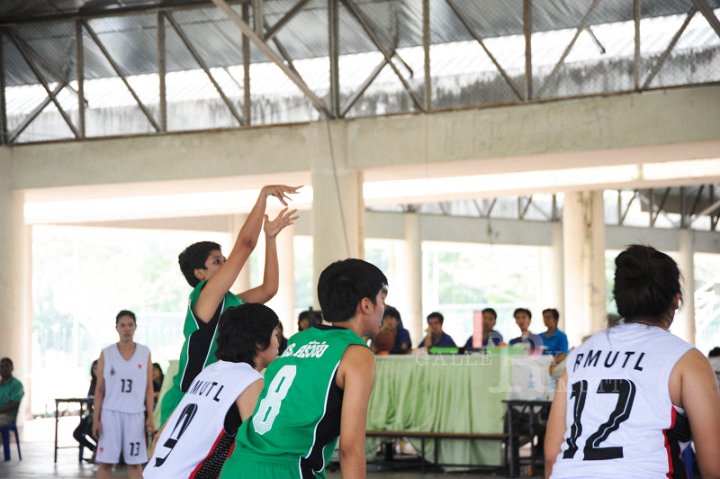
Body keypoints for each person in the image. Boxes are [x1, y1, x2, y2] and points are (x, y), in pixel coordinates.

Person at [545, 245, 720, 479]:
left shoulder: (579, 355)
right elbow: (714, 466)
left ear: (619, 299)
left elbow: (551, 455)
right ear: (676, 300)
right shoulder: (687, 360)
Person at [220, 258, 388, 479]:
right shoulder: (357, 355)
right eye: (382, 299)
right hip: (289, 470)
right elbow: (351, 448)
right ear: (366, 305)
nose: (384, 308)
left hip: (238, 465)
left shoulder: (299, 340)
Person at [160, 184, 299, 425]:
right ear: (200, 274)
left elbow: (269, 288)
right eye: (217, 261)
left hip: (216, 395)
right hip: (189, 397)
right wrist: (263, 195)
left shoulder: (231, 303)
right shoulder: (202, 297)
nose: (225, 263)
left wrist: (271, 238)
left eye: (224, 259)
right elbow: (244, 246)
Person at [144, 303, 280, 478]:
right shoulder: (250, 380)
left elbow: (158, 438)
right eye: (275, 334)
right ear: (259, 342)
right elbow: (257, 450)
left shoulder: (208, 373)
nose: (279, 343)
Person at [92, 310, 154, 479]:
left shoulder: (145, 352)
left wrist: (150, 416)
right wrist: (96, 418)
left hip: (135, 414)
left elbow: (149, 388)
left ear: (135, 327)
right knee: (106, 463)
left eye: (130, 325)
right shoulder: (107, 353)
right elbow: (99, 390)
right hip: (110, 413)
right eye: (122, 325)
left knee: (135, 463)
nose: (126, 329)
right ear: (117, 328)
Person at [73, 360, 98, 455]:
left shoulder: (106, 383)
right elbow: (89, 400)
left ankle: (98, 450)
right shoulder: (93, 382)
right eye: (94, 368)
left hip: (100, 416)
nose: (96, 370)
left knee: (90, 430)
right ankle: (94, 449)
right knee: (77, 433)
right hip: (91, 415)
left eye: (98, 367)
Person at [0, 357, 24, 427]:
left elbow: (14, 404)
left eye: (7, 366)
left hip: (9, 416)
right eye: (1, 366)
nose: (4, 369)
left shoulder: (17, 384)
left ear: (12, 368)